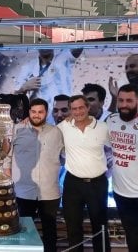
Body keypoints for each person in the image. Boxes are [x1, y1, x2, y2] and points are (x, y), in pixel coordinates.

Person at [7, 98, 63, 252]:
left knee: (50, 232)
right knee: (23, 231)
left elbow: (64, 156)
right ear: (29, 112)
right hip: (23, 191)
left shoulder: (56, 132)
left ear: (46, 113)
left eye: (40, 112)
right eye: (33, 112)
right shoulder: (16, 129)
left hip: (49, 192)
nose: (36, 115)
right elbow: (7, 156)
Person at [57, 95, 110, 252]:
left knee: (100, 228)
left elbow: (117, 149)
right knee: (73, 228)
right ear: (70, 111)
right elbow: (44, 132)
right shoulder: (62, 127)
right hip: (73, 184)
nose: (78, 111)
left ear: (87, 108)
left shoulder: (103, 128)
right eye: (74, 109)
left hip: (97, 184)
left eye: (81, 107)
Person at [107, 84, 138, 251]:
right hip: (121, 193)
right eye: (121, 100)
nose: (124, 105)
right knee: (132, 235)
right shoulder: (111, 120)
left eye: (129, 101)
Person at [15, 49, 82, 124]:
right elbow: (14, 97)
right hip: (39, 118)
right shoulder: (27, 67)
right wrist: (24, 87)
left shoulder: (63, 58)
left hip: (63, 114)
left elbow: (78, 46)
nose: (45, 46)